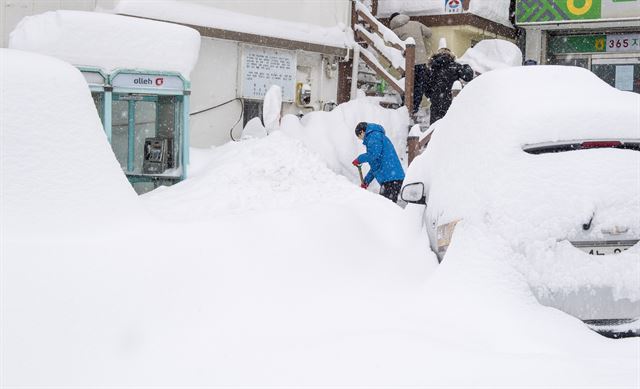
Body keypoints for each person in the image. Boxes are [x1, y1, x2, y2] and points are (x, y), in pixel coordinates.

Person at [389, 12, 432, 117]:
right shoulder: (416, 24)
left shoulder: (394, 31)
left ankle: (406, 107)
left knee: (407, 85)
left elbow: (392, 46)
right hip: (421, 61)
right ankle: (415, 108)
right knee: (419, 86)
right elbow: (429, 33)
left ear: (391, 21)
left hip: (407, 63)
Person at [352, 122, 405, 203]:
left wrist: (359, 159)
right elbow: (376, 166)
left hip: (391, 178)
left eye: (360, 137)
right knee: (386, 207)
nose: (361, 140)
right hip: (391, 178)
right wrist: (366, 181)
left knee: (385, 208)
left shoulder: (373, 136)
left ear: (362, 132)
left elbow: (374, 155)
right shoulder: (375, 136)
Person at [425, 48, 474, 124]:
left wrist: (433, 97)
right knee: (449, 127)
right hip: (450, 102)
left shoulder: (432, 67)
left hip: (436, 104)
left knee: (434, 130)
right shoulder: (455, 66)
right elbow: (468, 76)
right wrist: (465, 66)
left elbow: (426, 87)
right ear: (451, 55)